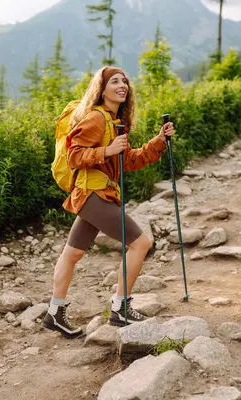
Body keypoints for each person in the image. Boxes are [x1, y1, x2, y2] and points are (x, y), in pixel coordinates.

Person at [43, 66, 175, 339]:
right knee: (140, 243)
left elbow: (129, 161)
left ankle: (54, 313)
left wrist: (159, 141)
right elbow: (74, 156)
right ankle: (121, 308)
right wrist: (107, 150)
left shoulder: (114, 121)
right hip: (93, 194)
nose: (122, 85)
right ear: (101, 89)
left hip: (97, 195)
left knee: (72, 254)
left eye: (124, 81)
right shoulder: (95, 118)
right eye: (114, 81)